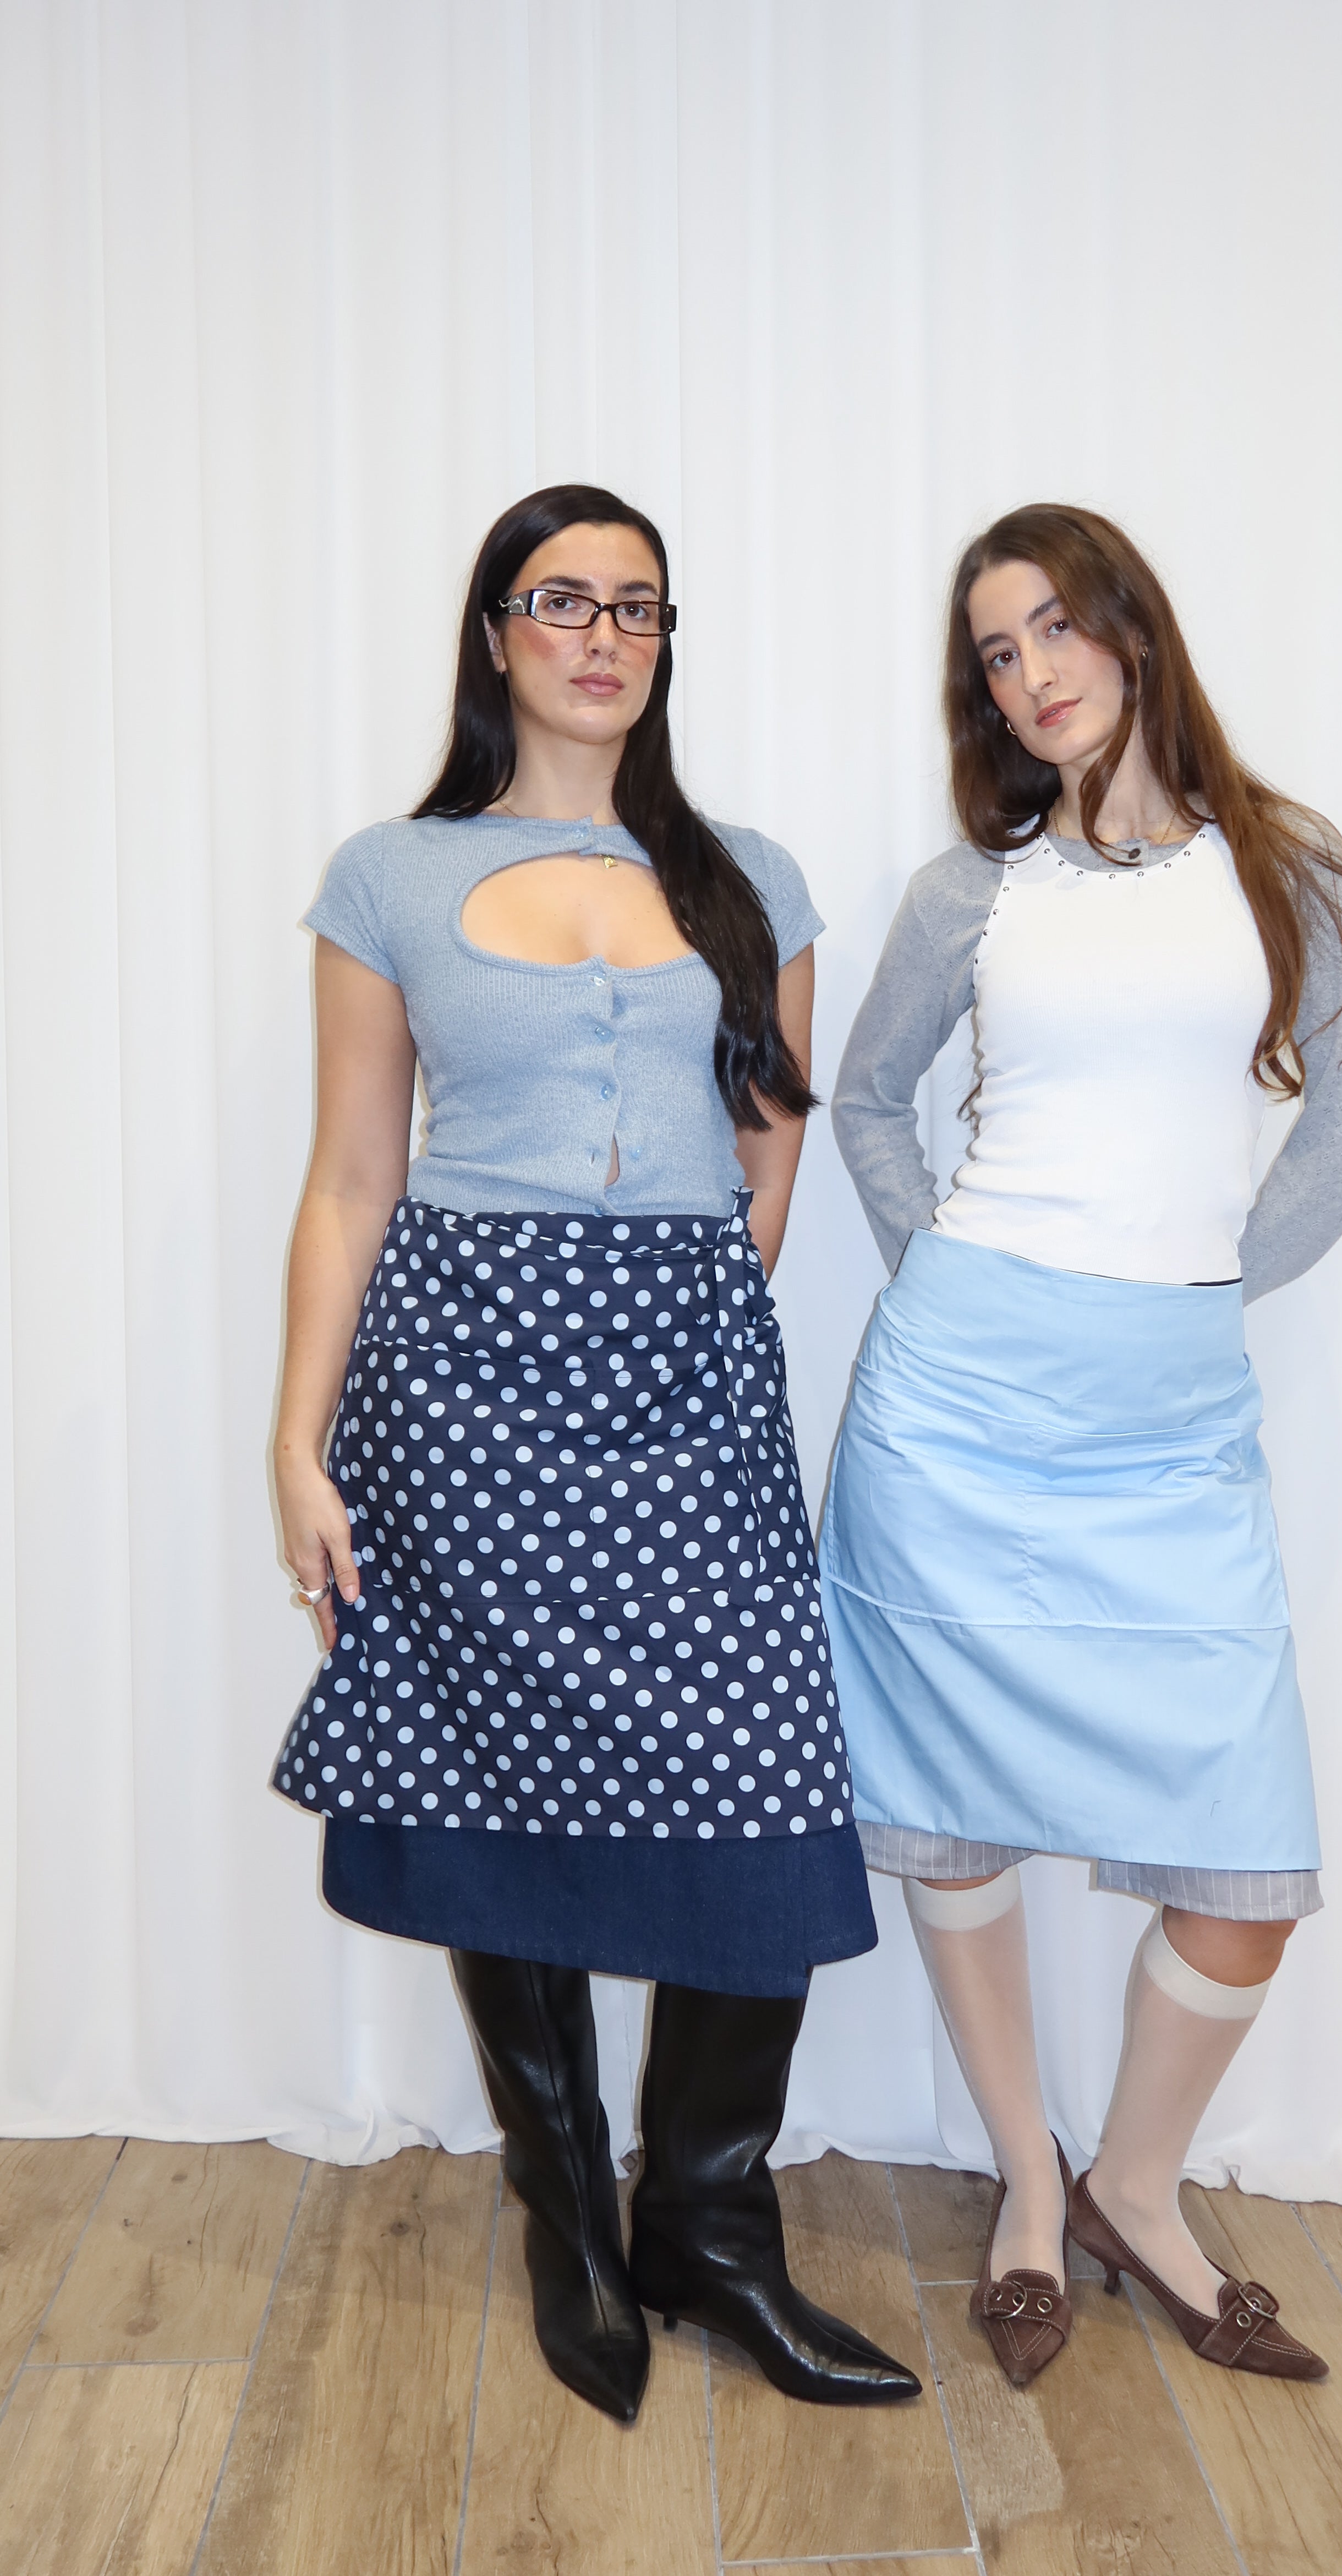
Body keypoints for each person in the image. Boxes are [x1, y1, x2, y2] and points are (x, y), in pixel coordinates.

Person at [272, 483, 919, 2424]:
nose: (602, 636)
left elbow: (770, 1147)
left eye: (638, 607)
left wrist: (686, 1317)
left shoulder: (748, 878)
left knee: (760, 1778)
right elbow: (352, 1175)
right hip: (459, 1386)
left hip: (683, 1386)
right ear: (496, 632)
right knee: (496, 1777)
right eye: (563, 600)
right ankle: (570, 2217)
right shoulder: (390, 877)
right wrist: (300, 1445)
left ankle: (708, 2223)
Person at [823, 502, 1342, 2389]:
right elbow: (867, 1101)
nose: (1033, 675)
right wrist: (950, 1276)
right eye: (997, 654)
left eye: (1057, 628)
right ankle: (1023, 2179)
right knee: (953, 1809)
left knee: (1243, 1888)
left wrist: (1202, 1286)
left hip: (1169, 1431)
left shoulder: (1289, 866)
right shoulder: (971, 892)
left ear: (1133, 630)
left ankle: (1134, 2189)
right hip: (957, 1413)